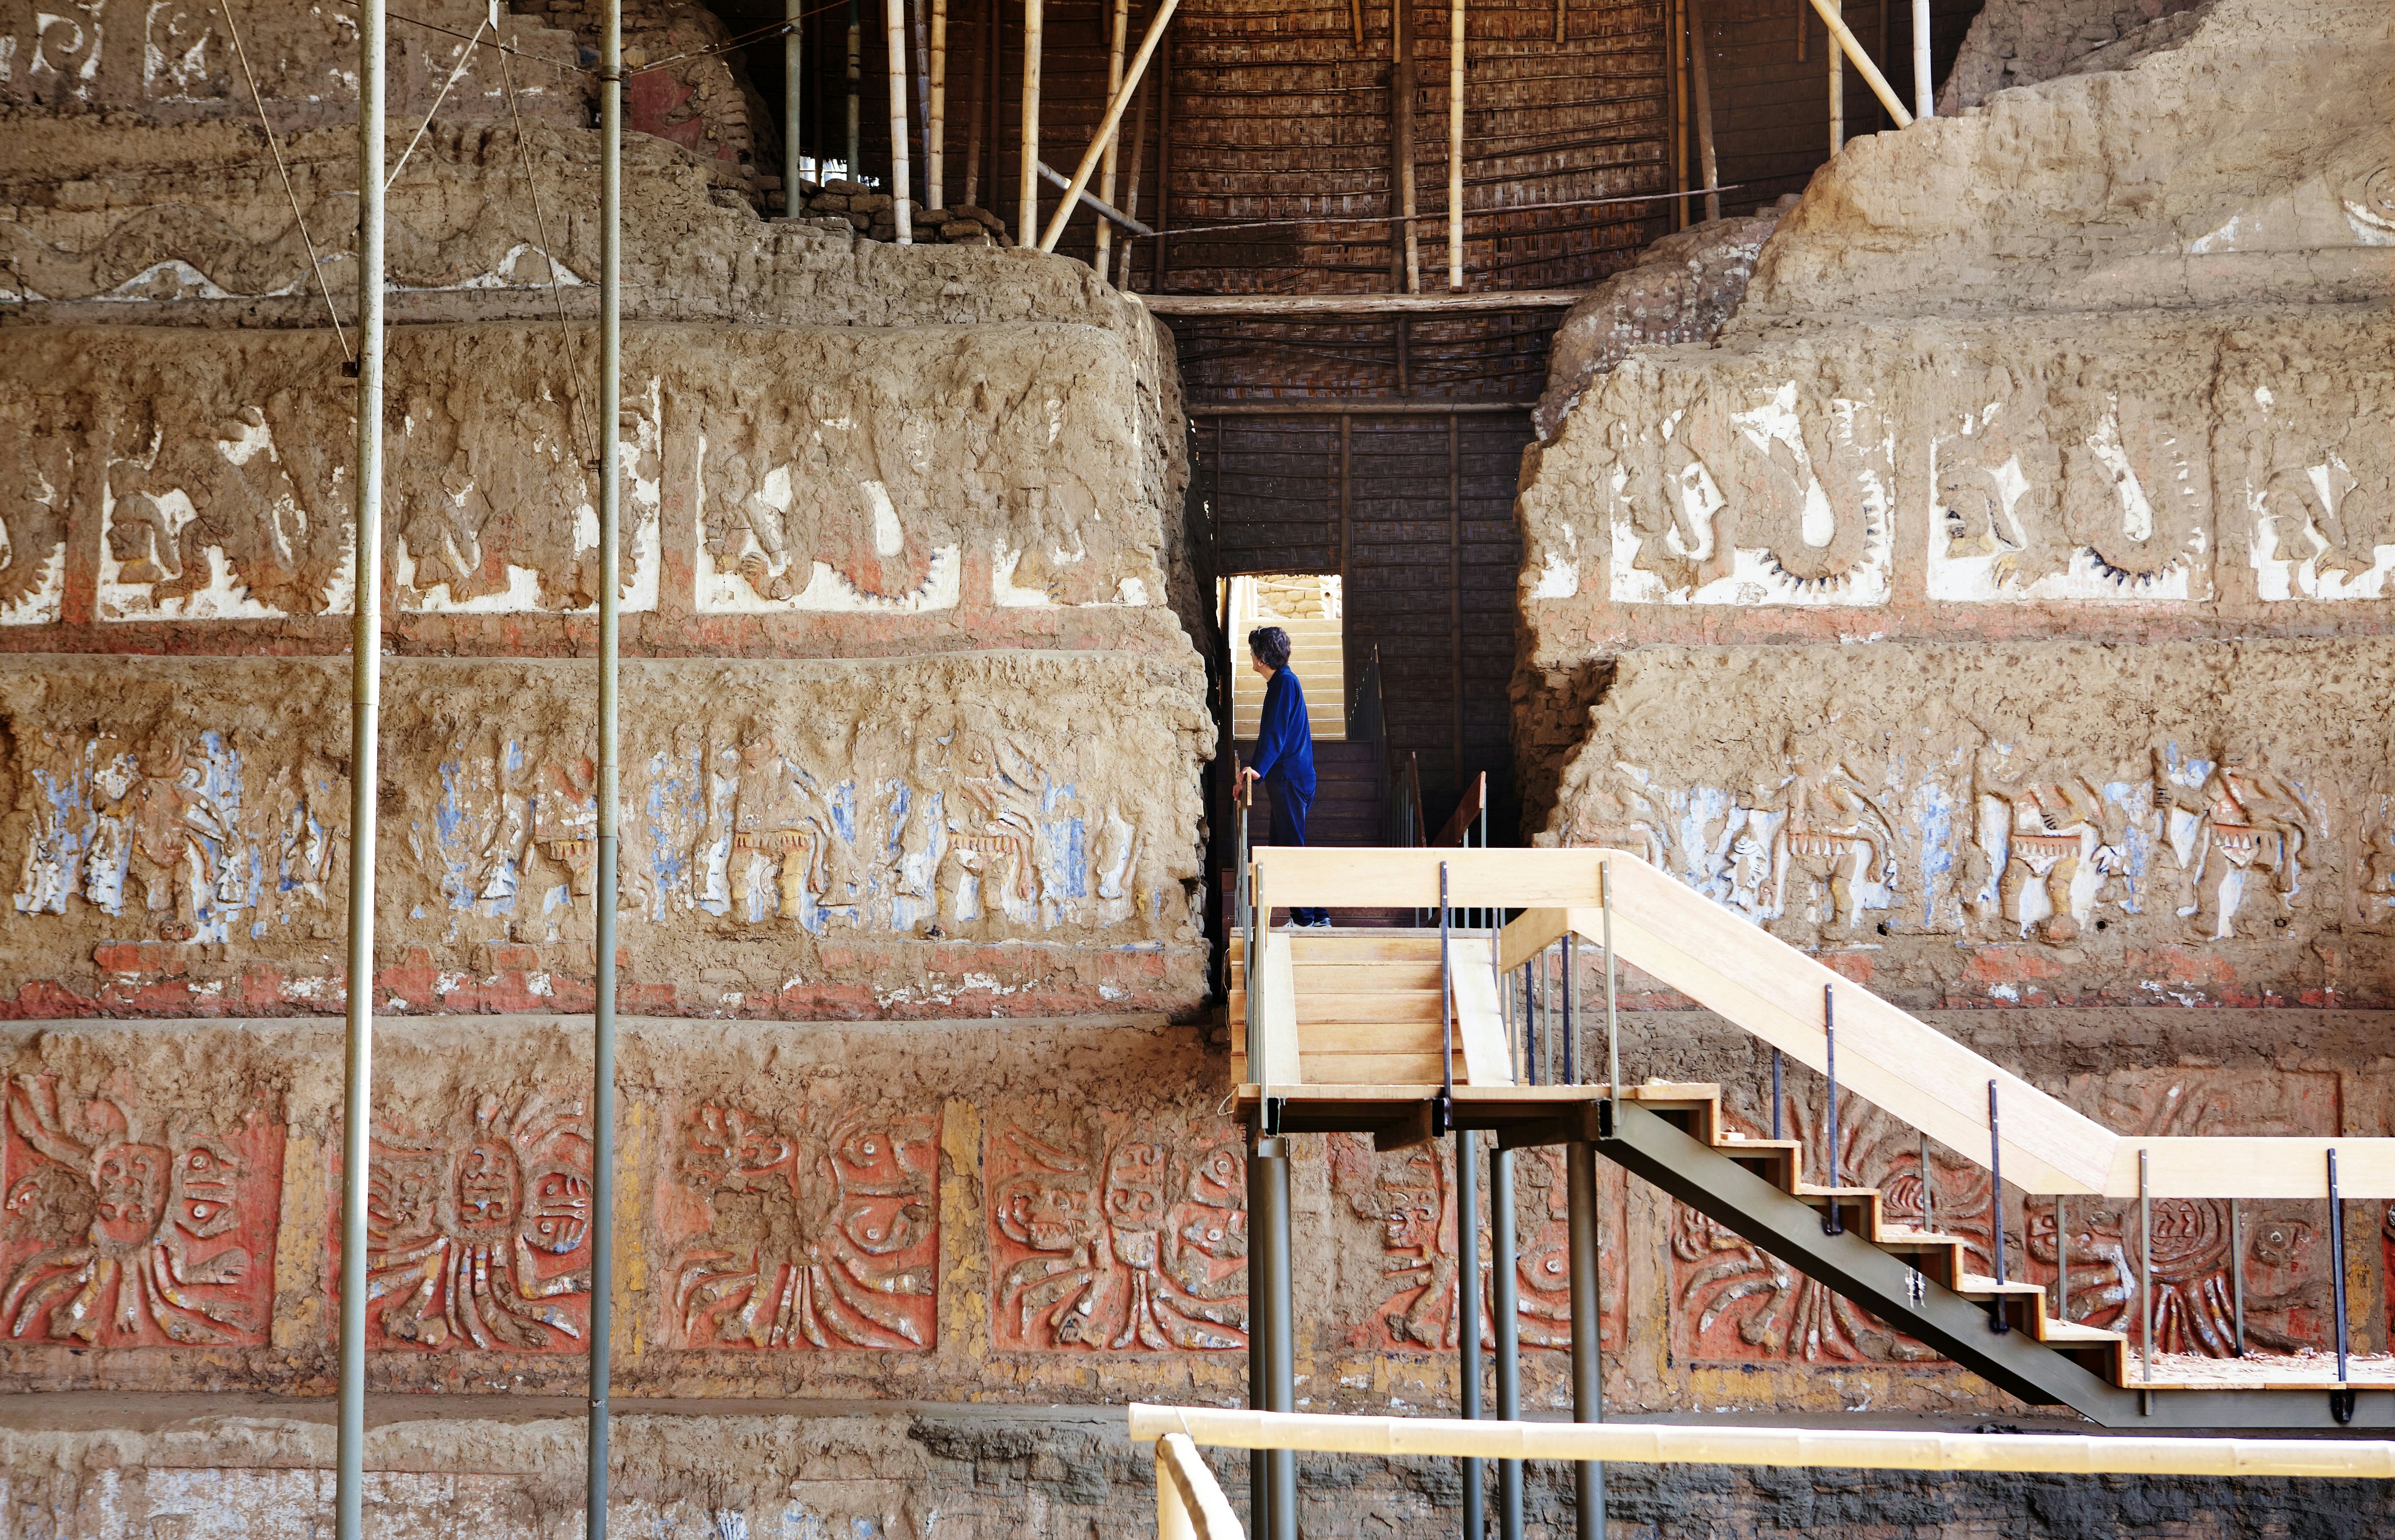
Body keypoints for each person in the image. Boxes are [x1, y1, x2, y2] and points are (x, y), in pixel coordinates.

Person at [1238, 625, 1330, 929]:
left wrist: (1257, 770)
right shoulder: (1283, 683)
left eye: (1253, 650)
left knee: (1290, 851)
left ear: (1262, 657)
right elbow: (1275, 736)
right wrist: (1258, 773)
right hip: (1289, 780)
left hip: (1291, 780)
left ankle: (1306, 920)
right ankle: (1316, 916)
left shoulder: (1284, 683)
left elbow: (1275, 735)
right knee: (1283, 850)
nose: (1250, 655)